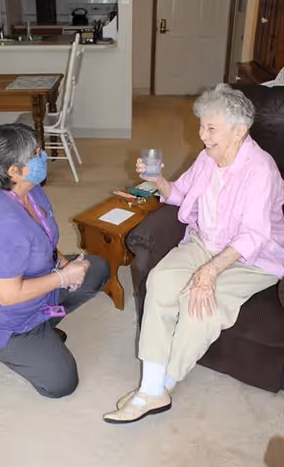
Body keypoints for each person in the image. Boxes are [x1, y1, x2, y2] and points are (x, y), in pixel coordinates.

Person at [103, 84, 284, 424]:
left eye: (210, 128)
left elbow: (255, 236)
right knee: (159, 283)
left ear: (239, 131)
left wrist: (210, 272)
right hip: (204, 241)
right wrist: (157, 182)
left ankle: (160, 385)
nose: (202, 135)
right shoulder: (207, 158)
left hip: (250, 259)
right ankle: (152, 388)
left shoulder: (261, 170)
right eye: (202, 125)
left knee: (200, 308)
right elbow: (181, 194)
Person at [0, 124, 109, 398]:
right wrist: (64, 278)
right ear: (13, 171)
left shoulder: (30, 191)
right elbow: (7, 295)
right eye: (35, 153)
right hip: (8, 322)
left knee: (98, 268)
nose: (42, 156)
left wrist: (66, 264)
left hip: (40, 297)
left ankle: (44, 329)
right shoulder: (0, 223)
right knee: (62, 382)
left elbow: (45, 241)